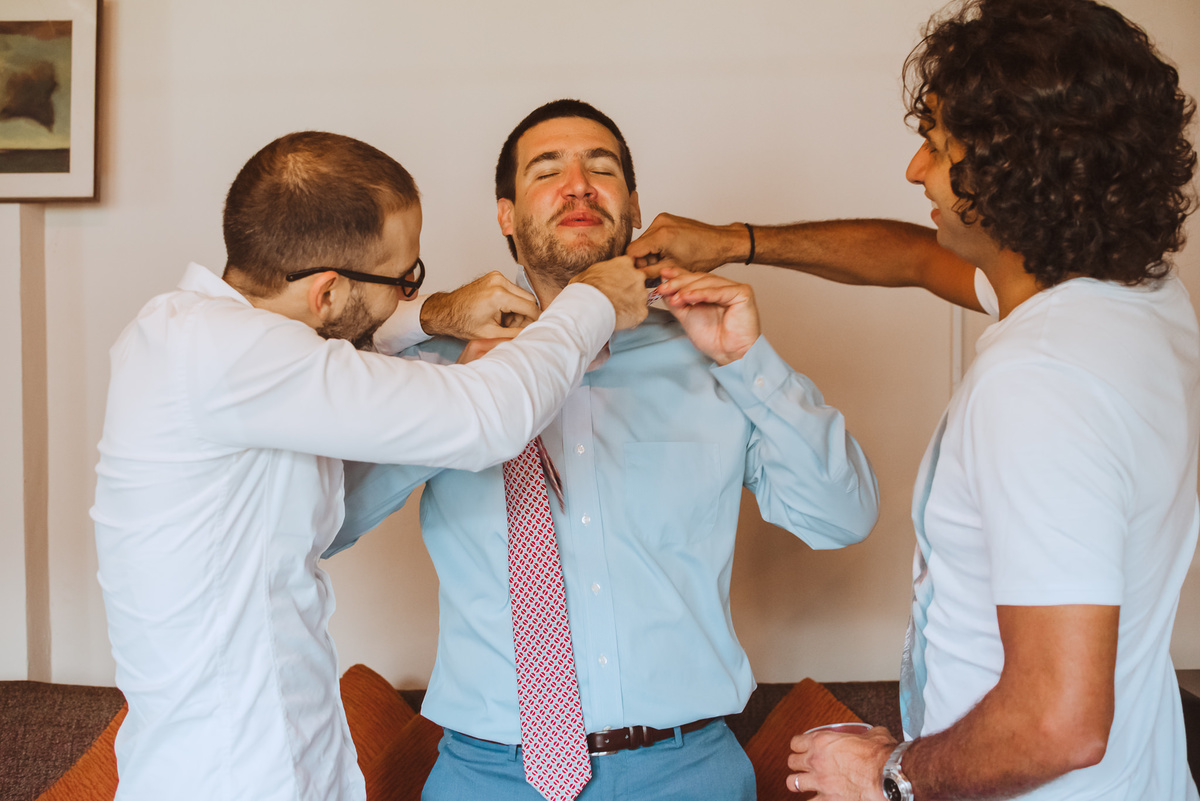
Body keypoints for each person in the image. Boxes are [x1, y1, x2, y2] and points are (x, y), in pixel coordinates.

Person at [626, 1, 1200, 799]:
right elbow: (915, 258)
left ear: (1010, 167)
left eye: (935, 146)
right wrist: (736, 240)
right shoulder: (1137, 297)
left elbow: (1058, 721)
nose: (913, 170)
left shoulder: (1040, 381)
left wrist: (888, 772)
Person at [327, 99, 880, 800]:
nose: (579, 183)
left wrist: (750, 361)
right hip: (488, 773)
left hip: (687, 770)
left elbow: (842, 516)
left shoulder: (709, 351)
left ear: (634, 204)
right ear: (506, 214)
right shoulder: (443, 364)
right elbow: (328, 523)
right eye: (547, 169)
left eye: (603, 167)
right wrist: (462, 405)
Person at [91, 130, 655, 801]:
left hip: (267, 758)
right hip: (238, 775)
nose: (408, 292)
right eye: (405, 277)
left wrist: (432, 315)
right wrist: (590, 301)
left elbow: (336, 367)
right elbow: (491, 418)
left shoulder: (190, 335)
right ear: (327, 292)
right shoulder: (232, 356)